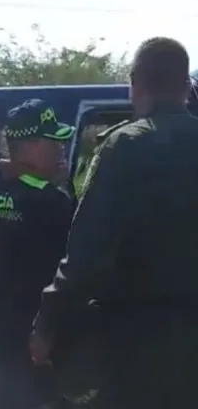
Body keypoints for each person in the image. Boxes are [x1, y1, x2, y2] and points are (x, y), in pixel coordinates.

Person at [30, 37, 198, 408]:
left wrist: (47, 324)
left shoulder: (126, 147)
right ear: (186, 87)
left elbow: (88, 253)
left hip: (142, 342)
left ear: (134, 83)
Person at [0, 99, 76, 408]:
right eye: (53, 141)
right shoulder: (52, 200)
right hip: (39, 326)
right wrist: (64, 185)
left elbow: (5, 173)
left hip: (4, 318)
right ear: (31, 146)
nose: (61, 147)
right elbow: (78, 240)